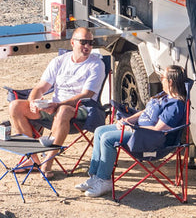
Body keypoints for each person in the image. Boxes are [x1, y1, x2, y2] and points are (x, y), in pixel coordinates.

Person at [77, 64, 188, 198]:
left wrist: (133, 128)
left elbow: (158, 130)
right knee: (99, 131)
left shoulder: (175, 105)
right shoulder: (163, 95)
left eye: (162, 77)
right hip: (137, 130)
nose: (160, 79)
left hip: (148, 139)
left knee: (107, 139)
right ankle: (95, 176)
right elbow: (145, 112)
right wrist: (128, 120)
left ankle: (104, 180)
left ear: (170, 82)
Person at [8, 27, 105, 175]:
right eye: (83, 42)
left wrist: (58, 105)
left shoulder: (96, 64)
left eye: (91, 43)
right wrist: (33, 101)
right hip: (53, 108)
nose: (87, 46)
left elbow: (87, 94)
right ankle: (33, 159)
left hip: (80, 110)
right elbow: (41, 87)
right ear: (72, 42)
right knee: (15, 106)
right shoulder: (59, 61)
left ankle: (47, 162)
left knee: (63, 110)